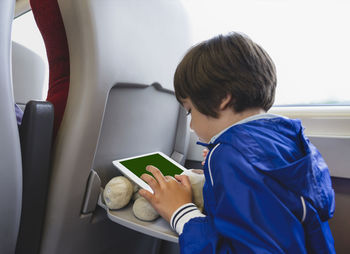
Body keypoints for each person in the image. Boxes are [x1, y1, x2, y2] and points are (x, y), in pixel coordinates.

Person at [139, 32, 335, 253]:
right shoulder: (292, 139)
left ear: (223, 98)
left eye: (189, 111)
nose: (191, 125)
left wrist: (181, 212)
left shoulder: (228, 155)